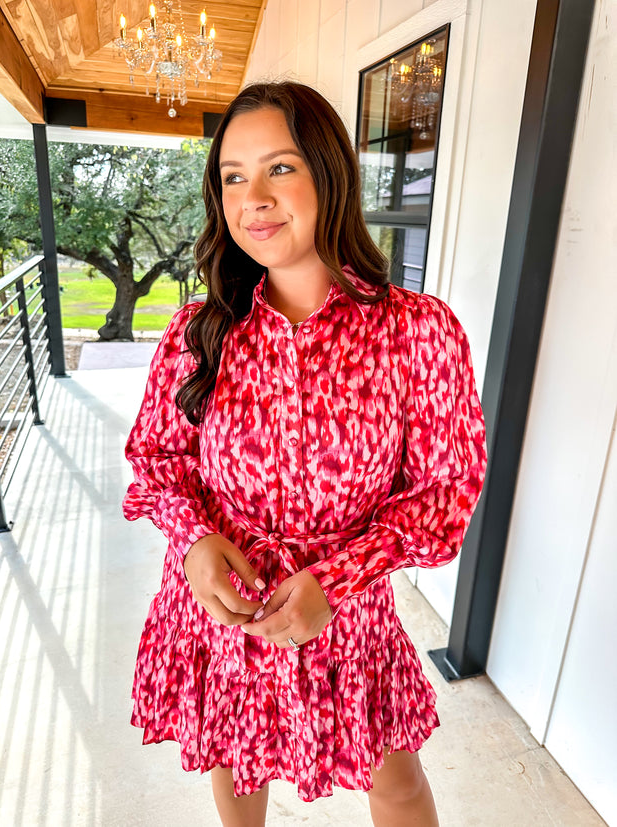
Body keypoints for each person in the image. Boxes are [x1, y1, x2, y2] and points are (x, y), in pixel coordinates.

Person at [123, 81, 487, 827]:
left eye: (280, 168)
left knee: (397, 783)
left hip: (345, 615)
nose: (253, 196)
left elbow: (445, 491)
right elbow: (158, 460)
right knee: (237, 768)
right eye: (232, 175)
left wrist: (338, 577)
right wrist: (194, 545)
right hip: (228, 608)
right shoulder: (199, 332)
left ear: (329, 174)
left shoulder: (415, 332)